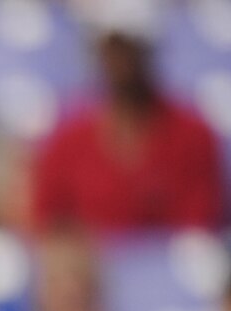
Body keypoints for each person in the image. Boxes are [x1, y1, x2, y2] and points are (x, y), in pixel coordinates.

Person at [26, 5, 224, 236]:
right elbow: (49, 227)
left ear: (148, 51)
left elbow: (199, 233)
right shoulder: (65, 139)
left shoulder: (193, 135)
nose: (120, 61)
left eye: (128, 49)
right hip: (90, 269)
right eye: (112, 49)